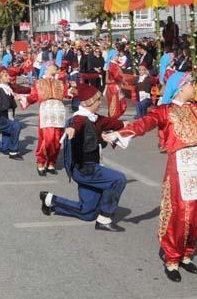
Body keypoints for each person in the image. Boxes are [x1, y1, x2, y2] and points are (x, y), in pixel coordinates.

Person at [103, 72, 197, 282]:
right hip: (181, 169)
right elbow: (144, 123)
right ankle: (172, 259)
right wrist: (120, 133)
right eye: (192, 84)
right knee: (181, 213)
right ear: (181, 88)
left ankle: (186, 254)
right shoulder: (165, 111)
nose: (195, 87)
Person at [38, 83, 127, 232]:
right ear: (88, 102)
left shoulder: (95, 118)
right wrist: (72, 129)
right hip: (85, 169)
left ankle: (50, 200)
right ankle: (105, 218)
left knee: (88, 213)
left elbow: (113, 123)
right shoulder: (79, 119)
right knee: (119, 179)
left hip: (90, 168)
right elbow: (77, 124)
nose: (100, 102)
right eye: (98, 100)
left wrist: (128, 125)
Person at [20, 63, 70, 176]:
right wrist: (23, 98)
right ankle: (41, 162)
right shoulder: (38, 82)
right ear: (47, 68)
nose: (57, 69)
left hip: (59, 112)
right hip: (46, 112)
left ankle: (52, 162)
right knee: (47, 139)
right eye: (54, 67)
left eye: (57, 68)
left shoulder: (60, 83)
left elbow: (68, 94)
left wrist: (76, 89)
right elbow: (33, 97)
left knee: (57, 140)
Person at [104, 48, 127, 118]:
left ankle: (114, 117)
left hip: (115, 86)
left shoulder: (114, 64)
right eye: (117, 56)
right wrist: (124, 79)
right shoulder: (112, 65)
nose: (118, 57)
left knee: (120, 103)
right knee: (114, 104)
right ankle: (113, 118)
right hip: (113, 87)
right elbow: (116, 75)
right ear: (113, 56)